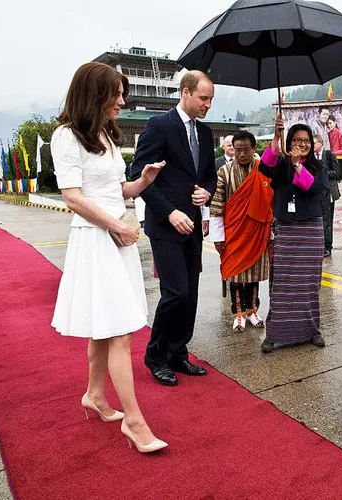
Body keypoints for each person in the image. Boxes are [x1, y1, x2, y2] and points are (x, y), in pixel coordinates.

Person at [50, 62, 167, 453]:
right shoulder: (67, 136)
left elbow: (119, 190)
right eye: (115, 93)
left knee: (107, 327)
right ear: (93, 94)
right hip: (97, 239)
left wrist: (143, 182)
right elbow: (73, 198)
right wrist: (117, 227)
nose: (122, 100)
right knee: (118, 329)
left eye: (122, 92)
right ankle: (134, 421)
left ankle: (95, 396)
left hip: (118, 238)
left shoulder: (107, 135)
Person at [131, 70, 217, 386]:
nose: (208, 105)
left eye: (211, 100)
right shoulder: (159, 126)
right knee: (175, 292)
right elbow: (140, 174)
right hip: (166, 225)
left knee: (190, 293)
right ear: (185, 93)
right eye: (203, 98)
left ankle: (178, 352)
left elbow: (209, 174)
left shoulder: (206, 134)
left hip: (192, 225)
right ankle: (155, 355)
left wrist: (206, 191)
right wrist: (169, 213)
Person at [258, 116, 328, 353]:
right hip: (286, 229)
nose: (302, 144)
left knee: (308, 282)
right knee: (282, 282)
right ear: (289, 141)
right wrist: (276, 136)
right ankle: (275, 333)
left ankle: (312, 331)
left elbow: (313, 187)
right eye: (297, 140)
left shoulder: (318, 166)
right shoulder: (281, 164)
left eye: (306, 140)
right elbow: (264, 167)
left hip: (310, 231)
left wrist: (298, 165)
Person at [210, 131, 273, 332]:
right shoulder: (224, 172)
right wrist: (217, 236)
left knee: (253, 274)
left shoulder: (264, 170)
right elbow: (217, 204)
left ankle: (252, 310)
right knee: (235, 273)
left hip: (258, 232)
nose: (242, 154)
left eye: (246, 150)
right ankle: (238, 313)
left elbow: (271, 200)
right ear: (232, 150)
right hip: (234, 232)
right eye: (238, 150)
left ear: (254, 149)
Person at [313, 134, 341, 257]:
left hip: (328, 193)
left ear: (320, 143)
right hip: (315, 193)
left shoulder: (329, 155)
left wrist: (322, 174)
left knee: (327, 220)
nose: (312, 146)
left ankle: (328, 247)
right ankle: (318, 245)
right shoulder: (310, 158)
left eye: (314, 143)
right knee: (317, 220)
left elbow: (337, 172)